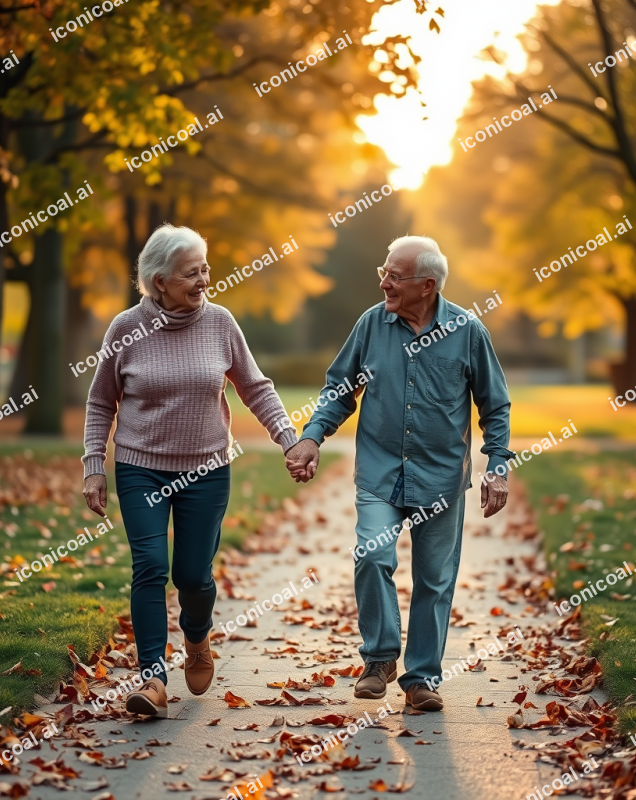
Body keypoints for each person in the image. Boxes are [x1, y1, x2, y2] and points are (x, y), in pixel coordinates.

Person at [285, 235, 513, 712]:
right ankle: (380, 658)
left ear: (427, 285)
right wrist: (311, 436)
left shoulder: (468, 331)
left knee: (434, 579)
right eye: (382, 272)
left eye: (394, 275)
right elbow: (339, 389)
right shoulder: (372, 324)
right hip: (380, 471)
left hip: (441, 478)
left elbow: (495, 404)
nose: (384, 282)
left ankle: (422, 680)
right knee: (372, 556)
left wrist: (498, 465)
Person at [82, 223, 298, 718]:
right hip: (140, 467)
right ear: (158, 281)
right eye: (191, 273)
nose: (203, 280)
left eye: (205, 269)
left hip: (206, 470)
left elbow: (255, 388)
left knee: (193, 576)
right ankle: (152, 679)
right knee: (150, 568)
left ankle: (197, 640)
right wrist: (95, 466)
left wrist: (290, 440)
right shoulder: (124, 329)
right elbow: (100, 402)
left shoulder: (221, 323)